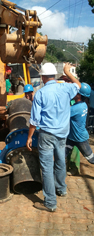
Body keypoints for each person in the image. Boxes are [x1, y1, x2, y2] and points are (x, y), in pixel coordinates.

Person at [26, 62, 81, 212]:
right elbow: (79, 86)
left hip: (47, 135)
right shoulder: (66, 88)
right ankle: (61, 189)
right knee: (61, 161)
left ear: (43, 77)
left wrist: (29, 137)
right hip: (62, 133)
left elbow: (34, 121)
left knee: (47, 168)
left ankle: (50, 202)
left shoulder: (41, 94)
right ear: (55, 76)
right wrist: (68, 72)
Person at [66, 83, 94, 172]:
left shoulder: (75, 108)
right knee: (62, 155)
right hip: (72, 137)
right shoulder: (83, 105)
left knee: (91, 159)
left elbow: (62, 114)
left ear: (79, 95)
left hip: (80, 138)